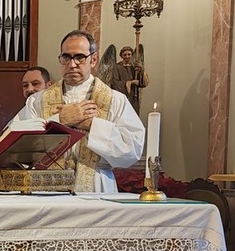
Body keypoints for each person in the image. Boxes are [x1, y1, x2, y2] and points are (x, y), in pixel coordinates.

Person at [11, 30, 145, 192]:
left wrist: (92, 125)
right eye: (66, 57)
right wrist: (59, 120)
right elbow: (15, 145)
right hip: (45, 188)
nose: (72, 64)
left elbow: (132, 150)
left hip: (97, 188)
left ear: (93, 60)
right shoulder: (37, 101)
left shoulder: (115, 100)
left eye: (79, 57)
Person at [106, 46, 149, 114]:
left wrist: (141, 69)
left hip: (134, 97)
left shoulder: (134, 67)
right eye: (125, 55)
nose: (127, 56)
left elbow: (143, 82)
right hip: (122, 97)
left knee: (134, 114)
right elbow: (115, 83)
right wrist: (130, 83)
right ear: (121, 56)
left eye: (129, 54)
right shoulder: (117, 67)